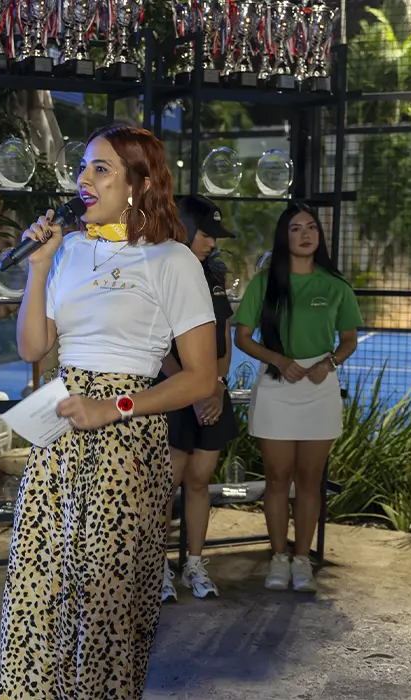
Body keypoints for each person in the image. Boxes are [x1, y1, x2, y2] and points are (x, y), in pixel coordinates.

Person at [0, 124, 219, 699]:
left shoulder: (172, 261)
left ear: (139, 184)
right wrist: (39, 268)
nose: (85, 179)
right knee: (37, 589)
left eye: (102, 169)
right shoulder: (69, 251)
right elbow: (32, 348)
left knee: (105, 601)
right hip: (59, 432)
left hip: (126, 440)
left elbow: (200, 377)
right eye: (84, 167)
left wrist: (114, 407)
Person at [233, 202, 362, 593]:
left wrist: (329, 362)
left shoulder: (335, 285)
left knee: (309, 480)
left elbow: (349, 339)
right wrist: (279, 360)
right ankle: (278, 557)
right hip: (277, 385)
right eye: (295, 228)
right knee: (277, 478)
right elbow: (242, 338)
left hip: (320, 389)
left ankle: (302, 560)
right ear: (283, 236)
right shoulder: (265, 283)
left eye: (311, 228)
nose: (305, 235)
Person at [160, 195, 238, 602]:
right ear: (183, 228)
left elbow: (223, 338)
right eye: (206, 234)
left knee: (199, 482)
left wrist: (216, 386)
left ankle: (194, 565)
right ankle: (157, 569)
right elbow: (158, 348)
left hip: (211, 396)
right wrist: (192, 392)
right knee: (164, 487)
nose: (212, 243)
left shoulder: (213, 275)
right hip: (172, 397)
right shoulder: (159, 272)